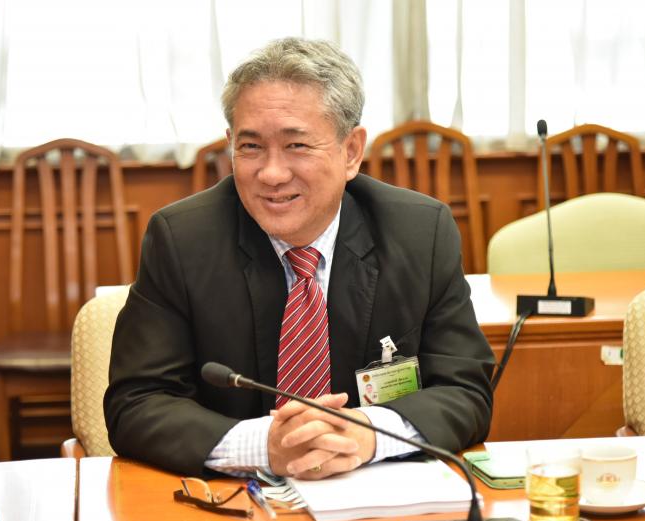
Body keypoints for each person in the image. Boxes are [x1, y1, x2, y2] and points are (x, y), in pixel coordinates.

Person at [104, 37, 495, 480]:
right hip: (233, 499)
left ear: (351, 151)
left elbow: (466, 391)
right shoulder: (182, 240)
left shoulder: (419, 233)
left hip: (372, 496)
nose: (271, 174)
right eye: (251, 147)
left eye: (297, 146)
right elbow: (136, 403)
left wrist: (369, 434)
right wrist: (265, 446)